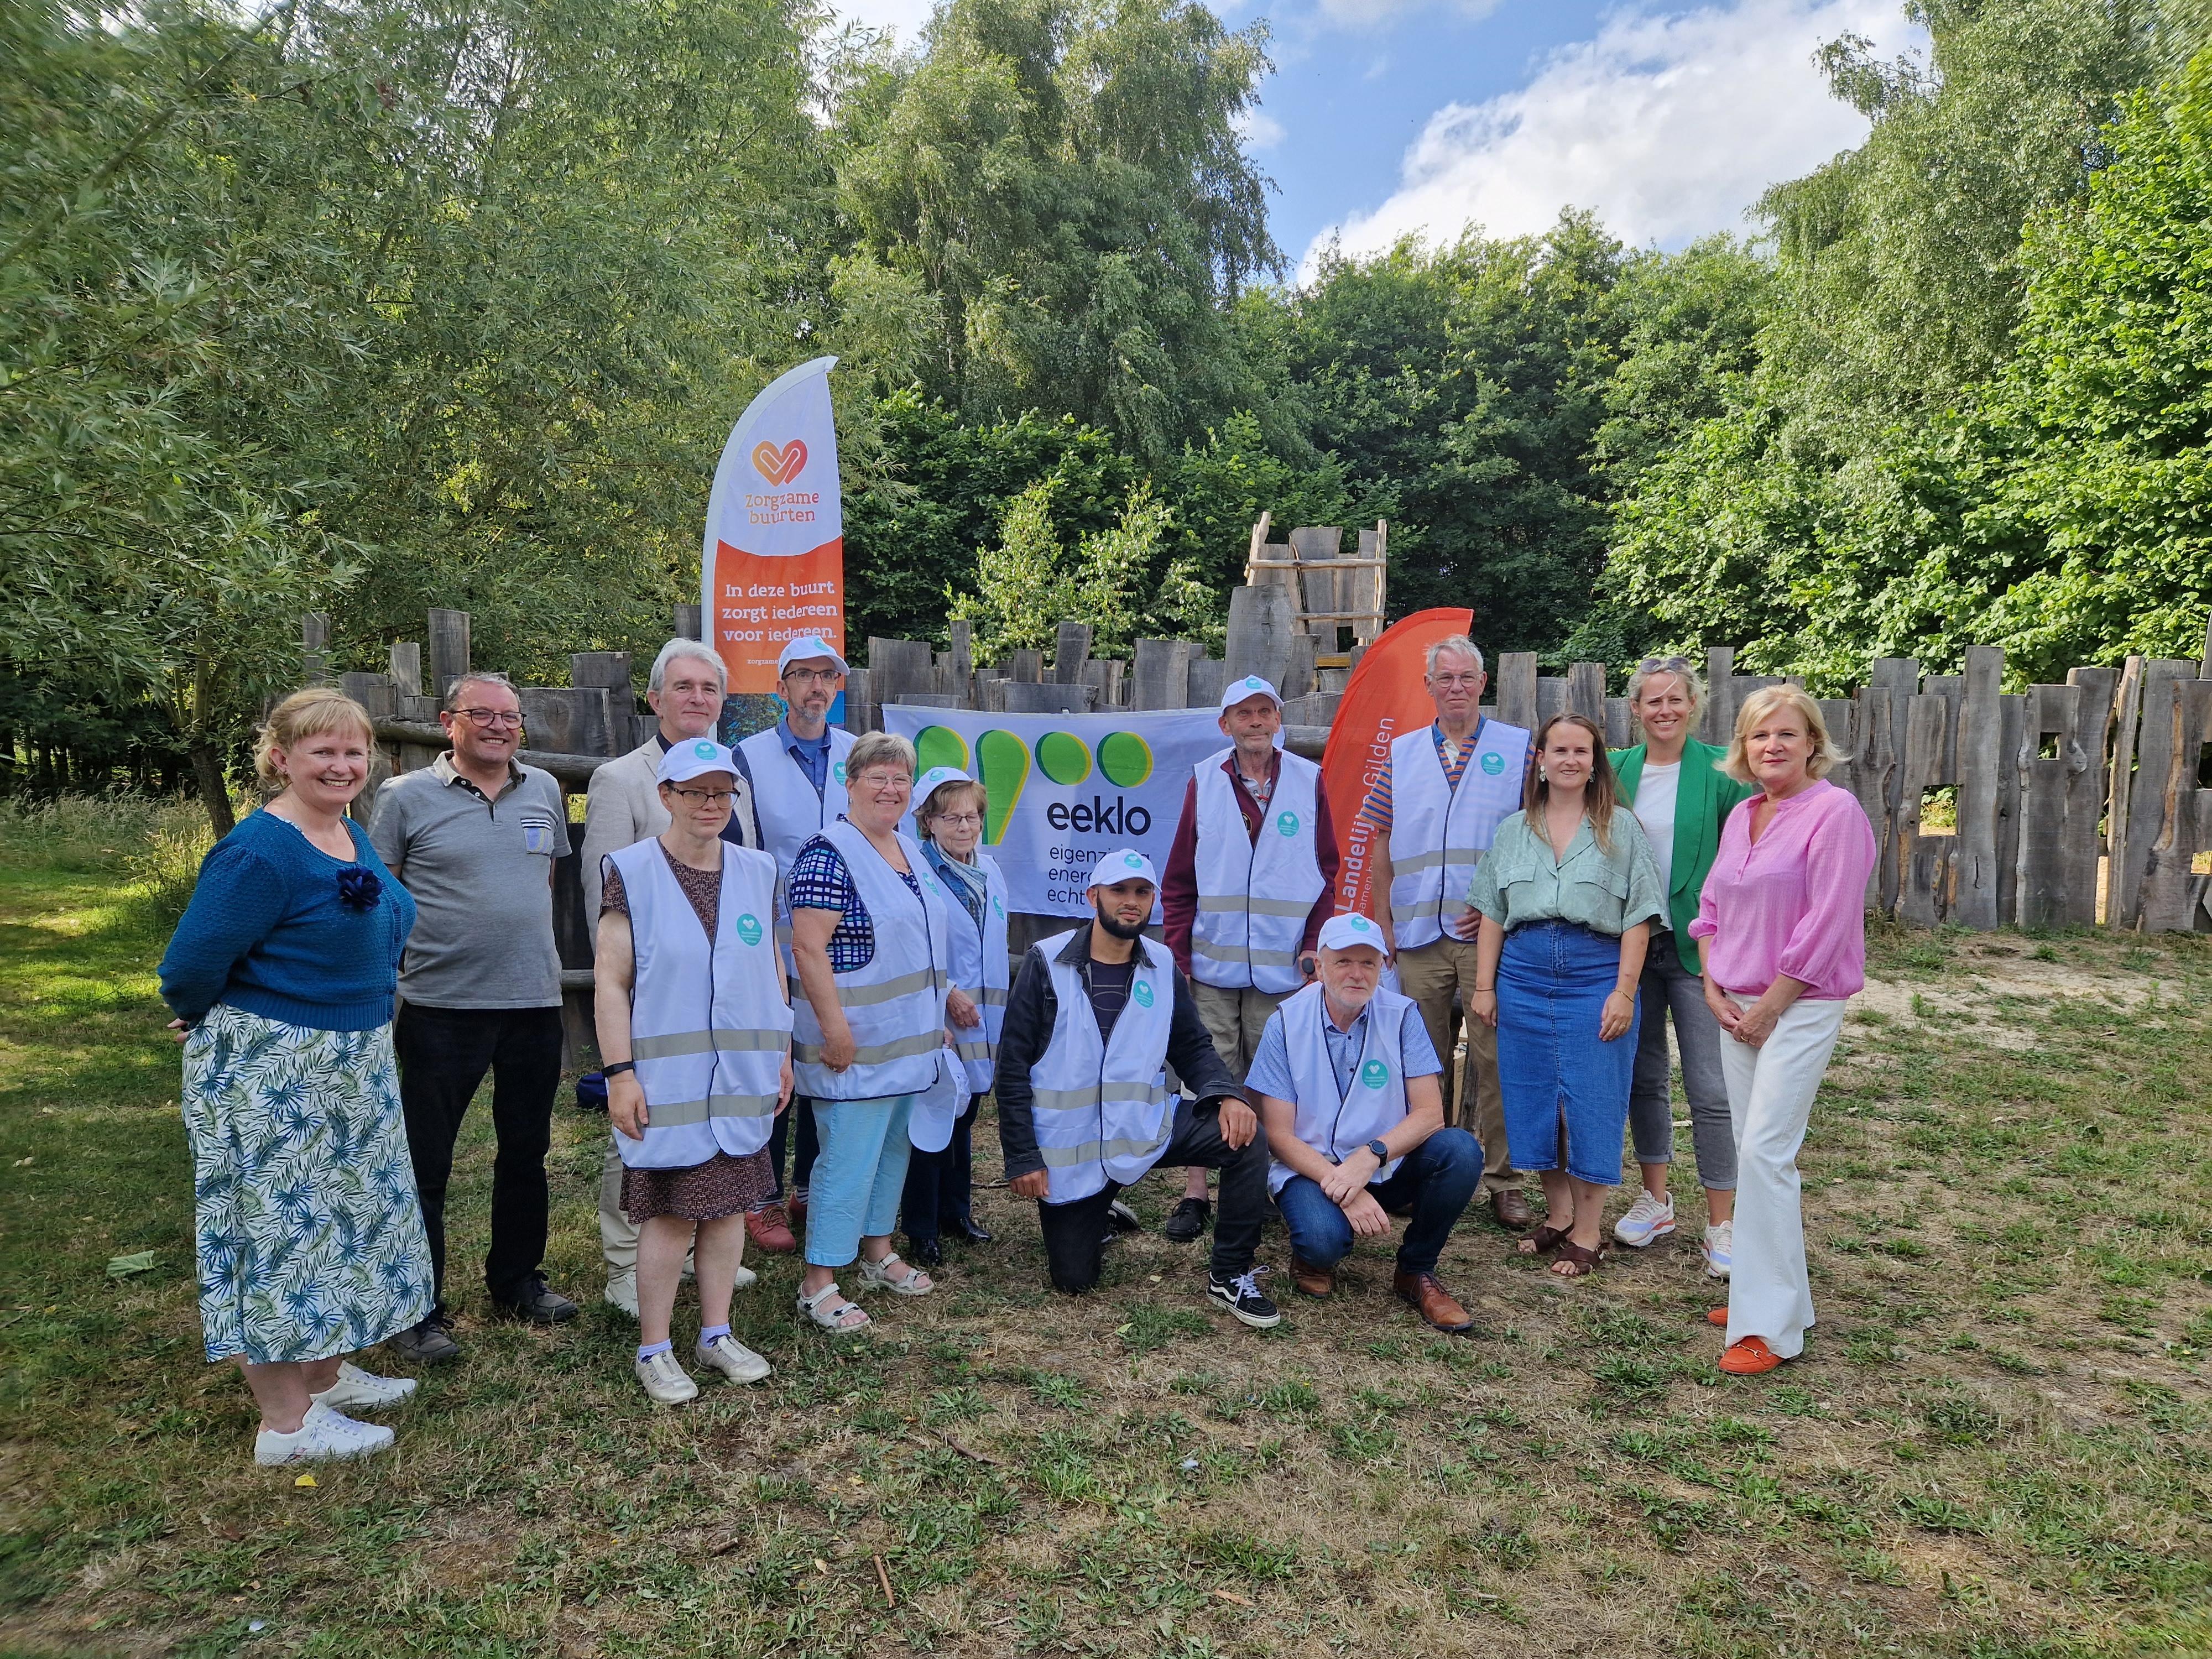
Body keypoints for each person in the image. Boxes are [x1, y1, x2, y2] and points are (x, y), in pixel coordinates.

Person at [158, 689, 429, 1464]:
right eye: (324, 753)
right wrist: (214, 1015)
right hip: (277, 1068)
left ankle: (323, 1373)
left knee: (342, 1223)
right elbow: (188, 967)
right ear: (281, 758)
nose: (344, 766)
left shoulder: (344, 830)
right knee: (277, 1234)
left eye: (354, 752)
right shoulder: (259, 852)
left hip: (350, 1062)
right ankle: (286, 1426)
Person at [369, 670, 575, 1363]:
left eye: (510, 717)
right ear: (447, 721)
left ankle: (517, 1280)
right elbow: (378, 895)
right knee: (426, 1162)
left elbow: (540, 883)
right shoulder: (405, 798)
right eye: (481, 714)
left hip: (533, 1004)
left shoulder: (544, 790)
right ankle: (418, 1307)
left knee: (527, 1152)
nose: (498, 726)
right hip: (439, 1007)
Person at [994, 849, 1282, 1329]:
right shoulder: (1046, 963)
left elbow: (1192, 1046)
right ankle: (1099, 1208)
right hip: (1072, 1150)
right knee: (1074, 1281)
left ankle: (1229, 1274)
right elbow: (1012, 1067)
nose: (1131, 902)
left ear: (1153, 901)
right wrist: (1023, 1156)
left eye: (1142, 892)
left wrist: (1226, 1094)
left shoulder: (1163, 965)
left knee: (1247, 1138)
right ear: (1094, 897)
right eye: (1119, 891)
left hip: (1144, 1128)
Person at [594, 739, 790, 1404]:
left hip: (741, 1077)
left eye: (722, 793)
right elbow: (611, 982)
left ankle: (715, 1334)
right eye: (696, 792)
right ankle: (654, 1348)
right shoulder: (631, 869)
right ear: (667, 797)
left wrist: (782, 1055)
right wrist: (621, 1074)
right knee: (672, 1216)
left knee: (731, 1206)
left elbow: (772, 969)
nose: (711, 805)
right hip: (668, 1084)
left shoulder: (759, 870)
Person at [1690, 687, 1876, 1375]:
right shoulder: (1744, 814)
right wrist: (1711, 983)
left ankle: (1768, 1329)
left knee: (1768, 1152)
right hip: (1735, 1003)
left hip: (1797, 1005)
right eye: (1759, 735)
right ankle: (1767, 1297)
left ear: (1812, 743)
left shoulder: (1835, 813)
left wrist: (1771, 1003)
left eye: (1787, 735)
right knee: (1753, 1153)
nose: (1773, 745)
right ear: (1742, 748)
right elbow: (1710, 909)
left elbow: (1827, 923)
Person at [581, 638, 764, 1317]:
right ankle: (627, 1263)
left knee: (706, 1127)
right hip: (650, 997)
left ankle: (696, 1249)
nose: (697, 699)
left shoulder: (728, 777)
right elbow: (601, 891)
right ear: (656, 698)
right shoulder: (623, 779)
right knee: (639, 1131)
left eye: (709, 689)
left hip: (716, 1002)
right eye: (683, 687)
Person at [1467, 714, 1665, 1279]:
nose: (1570, 760)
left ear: (1595, 762)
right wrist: (1485, 987)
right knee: (1532, 1102)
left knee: (1591, 1101)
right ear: (1541, 759)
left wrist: (1624, 992)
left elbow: (1638, 919)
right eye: (1559, 749)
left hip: (1595, 976)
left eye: (1581, 751)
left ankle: (1587, 1232)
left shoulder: (1620, 828)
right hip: (1523, 978)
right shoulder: (1513, 830)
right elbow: (1491, 915)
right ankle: (1556, 1215)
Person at [1355, 636, 1534, 1230]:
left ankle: (1504, 1180)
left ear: (1483, 684)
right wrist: (1381, 921)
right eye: (1444, 678)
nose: (1455, 688)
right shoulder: (1401, 754)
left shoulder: (1516, 751)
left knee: (1496, 1060)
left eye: (1466, 678)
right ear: (1428, 687)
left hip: (1488, 938)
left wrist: (1501, 907)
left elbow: (1535, 839)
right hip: (1414, 935)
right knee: (1420, 1065)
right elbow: (1379, 844)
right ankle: (1419, 1172)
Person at [1159, 675, 1339, 1244]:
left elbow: (1328, 872)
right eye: (1244, 713)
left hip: (1284, 969)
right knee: (1205, 1079)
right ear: (1226, 724)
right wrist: (1181, 951)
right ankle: (1194, 1192)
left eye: (1265, 712)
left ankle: (1257, 1183)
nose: (1256, 722)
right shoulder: (1203, 782)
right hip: (1211, 968)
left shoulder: (1308, 780)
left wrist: (1314, 944)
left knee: (1268, 1082)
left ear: (1277, 720)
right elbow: (1180, 877)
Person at [787, 731, 952, 1334]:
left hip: (907, 1047)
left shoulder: (906, 849)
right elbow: (808, 947)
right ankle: (818, 1281)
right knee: (846, 1161)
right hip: (852, 1046)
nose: (891, 788)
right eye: (878, 777)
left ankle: (877, 1251)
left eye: (902, 778)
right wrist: (834, 1032)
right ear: (849, 783)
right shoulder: (829, 852)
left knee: (890, 1153)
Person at [1248, 913, 1483, 1331]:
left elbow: (1431, 1115)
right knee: (1321, 1243)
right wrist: (1345, 1188)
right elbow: (1279, 1137)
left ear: (1383, 968)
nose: (1357, 974)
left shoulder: (1403, 1014)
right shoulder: (1285, 1021)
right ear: (1319, 967)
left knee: (1461, 1150)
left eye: (1369, 963)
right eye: (1343, 962)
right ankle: (1313, 1253)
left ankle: (1416, 1270)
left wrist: (1370, 1157)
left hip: (1384, 1161)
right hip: (1311, 1166)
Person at [1608, 657, 1755, 1276]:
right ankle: (1656, 1198)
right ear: (1635, 710)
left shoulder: (1723, 774)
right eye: (1651, 701)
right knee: (1643, 1078)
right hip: (1633, 947)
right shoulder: (1614, 771)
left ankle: (1723, 1221)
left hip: (1701, 949)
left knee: (1710, 1086)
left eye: (1674, 700)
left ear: (1693, 705)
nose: (1663, 710)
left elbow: (1745, 866)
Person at [733, 635, 858, 1256]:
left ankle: (808, 1185)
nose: (815, 687)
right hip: (775, 948)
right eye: (802, 675)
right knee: (773, 1072)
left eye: (825, 676)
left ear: (838, 688)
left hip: (844, 947)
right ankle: (760, 1197)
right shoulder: (748, 757)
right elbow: (741, 854)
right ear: (779, 687)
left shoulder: (859, 754)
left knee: (824, 1067)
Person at [901, 767, 1007, 1267]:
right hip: (942, 1016)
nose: (965, 827)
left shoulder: (991, 872)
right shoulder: (915, 872)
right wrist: (947, 995)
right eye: (951, 817)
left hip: (986, 1021)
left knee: (966, 1118)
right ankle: (921, 1228)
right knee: (935, 1116)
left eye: (972, 817)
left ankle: (956, 1213)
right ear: (927, 822)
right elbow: (908, 949)